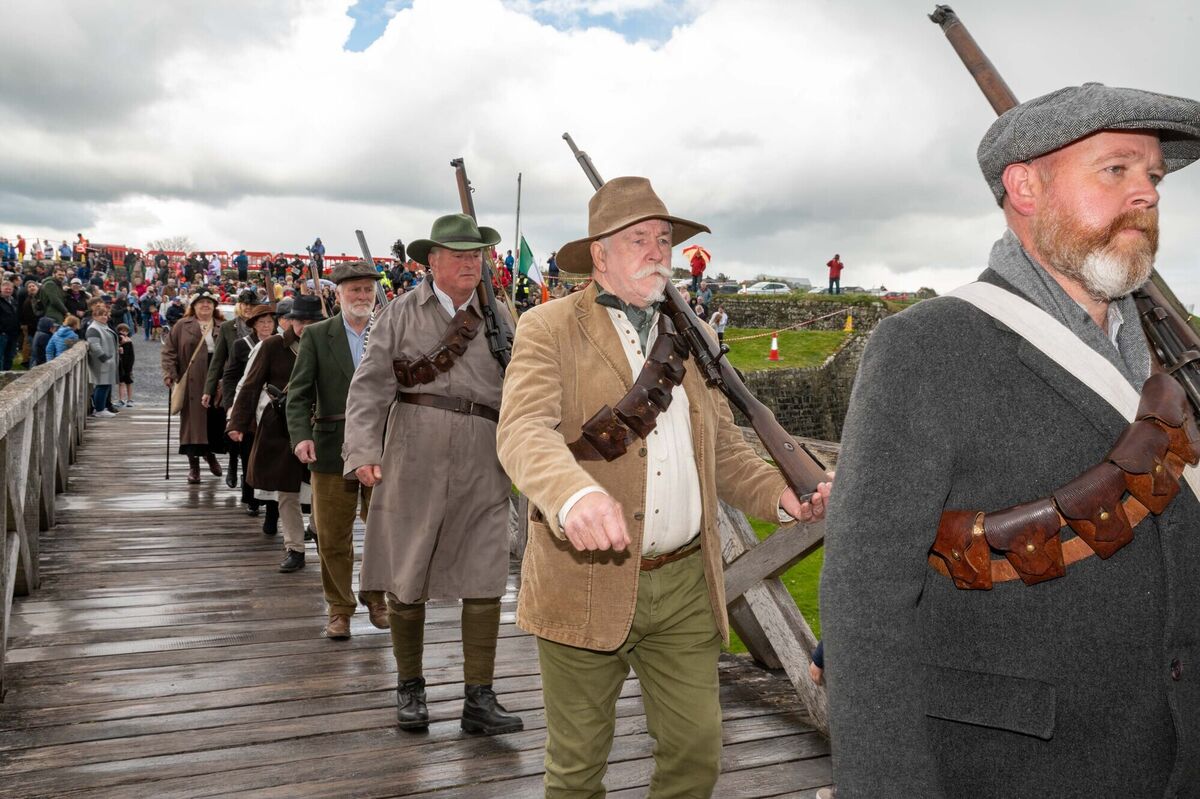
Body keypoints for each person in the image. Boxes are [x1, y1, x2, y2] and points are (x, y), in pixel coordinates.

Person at [822, 83, 1200, 797]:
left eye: (1151, 175)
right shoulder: (925, 348)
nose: (1147, 194)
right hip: (1016, 767)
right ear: (1025, 187)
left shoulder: (1164, 352)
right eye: (1115, 170)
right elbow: (865, 598)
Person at [496, 176, 832, 797]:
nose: (658, 251)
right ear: (599, 255)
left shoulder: (691, 334)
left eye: (664, 239)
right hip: (584, 577)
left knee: (695, 756)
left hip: (683, 585)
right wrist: (575, 496)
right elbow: (522, 432)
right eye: (638, 239)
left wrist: (780, 497)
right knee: (576, 769)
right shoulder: (548, 328)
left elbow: (725, 448)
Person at [343, 213, 522, 736]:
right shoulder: (399, 313)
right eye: (460, 255)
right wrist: (362, 450)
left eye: (477, 255)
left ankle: (479, 698)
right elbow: (370, 386)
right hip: (414, 447)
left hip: (483, 452)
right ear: (432, 262)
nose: (471, 263)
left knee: (487, 570)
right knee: (408, 569)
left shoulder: (501, 316)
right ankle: (411, 689)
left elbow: (524, 383)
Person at [287, 260, 389, 639]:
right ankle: (339, 608)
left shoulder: (390, 333)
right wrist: (301, 436)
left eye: (367, 289)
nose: (362, 296)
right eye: (354, 290)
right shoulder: (317, 335)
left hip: (382, 447)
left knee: (382, 530)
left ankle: (375, 596)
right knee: (331, 535)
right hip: (331, 446)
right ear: (339, 294)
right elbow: (297, 396)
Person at [228, 298, 317, 573]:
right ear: (289, 321)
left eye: (311, 322)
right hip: (280, 427)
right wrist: (237, 423)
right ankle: (295, 547)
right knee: (287, 490)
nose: (304, 327)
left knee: (323, 488)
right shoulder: (272, 346)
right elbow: (250, 384)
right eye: (300, 321)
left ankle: (316, 529)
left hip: (320, 426)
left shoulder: (328, 345)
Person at [161, 288, 227, 484]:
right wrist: (169, 373)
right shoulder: (182, 325)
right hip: (192, 379)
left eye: (209, 302)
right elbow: (169, 351)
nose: (205, 305)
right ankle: (194, 467)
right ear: (194, 306)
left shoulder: (223, 326)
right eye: (200, 302)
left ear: (214, 305)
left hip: (217, 378)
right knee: (192, 425)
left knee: (214, 421)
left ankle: (210, 454)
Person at [223, 301, 278, 520]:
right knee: (248, 452)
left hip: (272, 405)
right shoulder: (242, 345)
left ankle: (271, 500)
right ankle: (252, 498)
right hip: (249, 402)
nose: (266, 326)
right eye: (262, 322)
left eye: (269, 322)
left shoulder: (281, 343)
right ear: (254, 325)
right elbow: (230, 375)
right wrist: (231, 405)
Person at [204, 289, 260, 488]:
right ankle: (232, 463)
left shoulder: (263, 326)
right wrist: (209, 389)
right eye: (245, 305)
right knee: (233, 425)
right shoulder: (229, 327)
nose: (248, 309)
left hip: (258, 384)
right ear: (240, 305)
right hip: (234, 383)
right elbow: (218, 360)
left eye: (252, 306)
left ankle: (249, 474)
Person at [85, 300, 119, 417]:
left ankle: (101, 407)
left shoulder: (103, 326)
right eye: (101, 315)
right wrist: (105, 359)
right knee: (102, 384)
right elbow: (94, 346)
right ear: (94, 316)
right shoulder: (94, 328)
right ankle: (99, 409)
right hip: (101, 362)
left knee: (106, 384)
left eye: (105, 314)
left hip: (107, 361)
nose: (104, 317)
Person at [0, 280, 21, 370]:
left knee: (9, 357)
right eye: (6, 289)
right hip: (2, 334)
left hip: (13, 334)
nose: (8, 291)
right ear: (1, 289)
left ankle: (6, 375)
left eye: (10, 289)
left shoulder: (14, 301)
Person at [115, 323, 134, 406]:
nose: (124, 333)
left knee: (129, 382)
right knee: (121, 382)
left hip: (128, 364)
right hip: (120, 364)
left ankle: (130, 399)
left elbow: (132, 355)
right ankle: (121, 399)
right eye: (122, 331)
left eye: (126, 331)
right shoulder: (118, 341)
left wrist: (131, 365)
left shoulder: (129, 341)